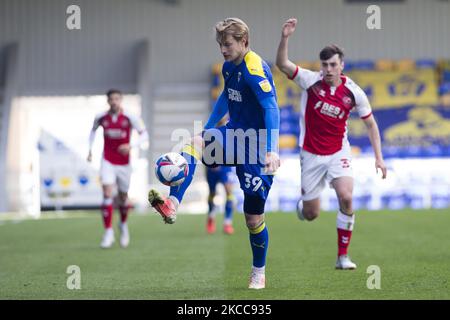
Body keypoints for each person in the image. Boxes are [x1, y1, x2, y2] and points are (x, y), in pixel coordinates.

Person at [148, 17, 280, 289]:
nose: (223, 49)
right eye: (221, 44)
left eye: (228, 44)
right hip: (233, 136)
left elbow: (271, 108)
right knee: (194, 142)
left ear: (244, 41)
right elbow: (224, 98)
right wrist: (207, 130)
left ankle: (258, 271)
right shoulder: (229, 67)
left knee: (253, 218)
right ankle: (173, 204)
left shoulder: (254, 68)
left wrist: (272, 150)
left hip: (257, 148)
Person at [276, 18, 387, 269]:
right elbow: (282, 64)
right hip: (311, 155)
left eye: (332, 64)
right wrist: (285, 38)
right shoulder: (309, 80)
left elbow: (371, 125)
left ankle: (342, 257)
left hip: (339, 152)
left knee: (347, 198)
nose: (328, 69)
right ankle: (303, 206)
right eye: (324, 64)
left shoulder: (354, 92)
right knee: (311, 214)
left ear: (341, 66)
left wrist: (379, 158)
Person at [88, 89, 149, 249]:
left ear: (120, 100)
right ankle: (108, 232)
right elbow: (92, 132)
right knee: (107, 193)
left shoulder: (130, 117)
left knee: (123, 197)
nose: (114, 102)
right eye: (111, 99)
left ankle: (123, 225)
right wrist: (89, 150)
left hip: (124, 163)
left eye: (116, 99)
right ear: (108, 101)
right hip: (107, 160)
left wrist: (131, 145)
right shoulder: (101, 117)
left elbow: (144, 136)